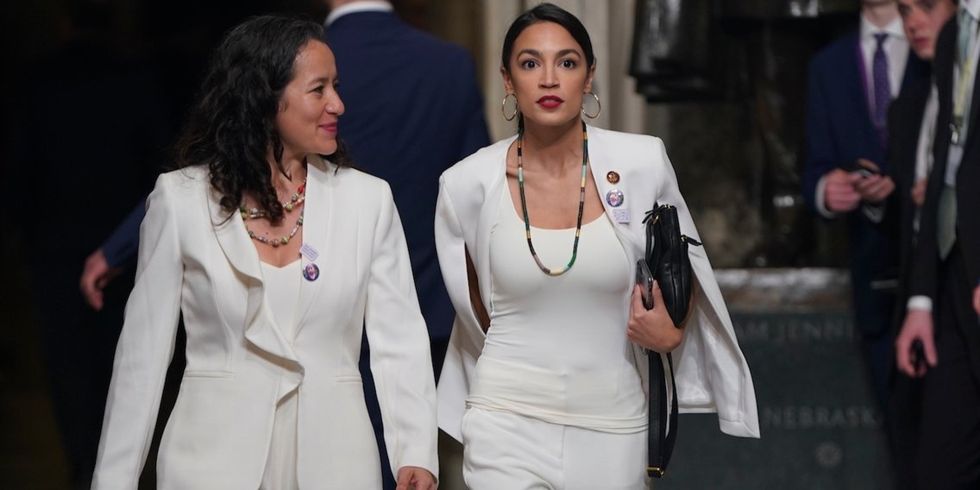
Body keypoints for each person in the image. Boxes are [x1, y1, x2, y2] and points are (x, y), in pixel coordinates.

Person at [91, 16, 437, 489]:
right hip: (211, 463)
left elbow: (399, 339)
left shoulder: (367, 201)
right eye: (319, 89)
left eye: (336, 86)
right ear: (266, 98)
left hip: (335, 464)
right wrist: (114, 480)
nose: (338, 103)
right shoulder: (181, 200)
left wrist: (414, 451)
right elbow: (141, 359)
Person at [433, 4, 759, 488]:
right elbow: (474, 307)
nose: (548, 79)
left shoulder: (640, 162)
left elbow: (680, 262)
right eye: (529, 63)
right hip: (505, 414)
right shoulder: (467, 183)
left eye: (566, 63)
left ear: (589, 78)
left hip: (613, 417)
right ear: (507, 80)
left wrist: (672, 331)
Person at [802, 0, 929, 408]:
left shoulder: (931, 45)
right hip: (869, 265)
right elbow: (814, 164)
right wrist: (825, 189)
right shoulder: (827, 64)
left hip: (935, 264)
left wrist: (906, 179)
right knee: (895, 423)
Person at [894, 0, 980, 487]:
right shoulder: (955, 37)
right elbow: (949, 171)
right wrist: (921, 300)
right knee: (938, 470)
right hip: (951, 280)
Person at [882, 1, 956, 485]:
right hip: (921, 301)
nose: (913, 22)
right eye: (906, 10)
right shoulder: (908, 108)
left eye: (927, 6)